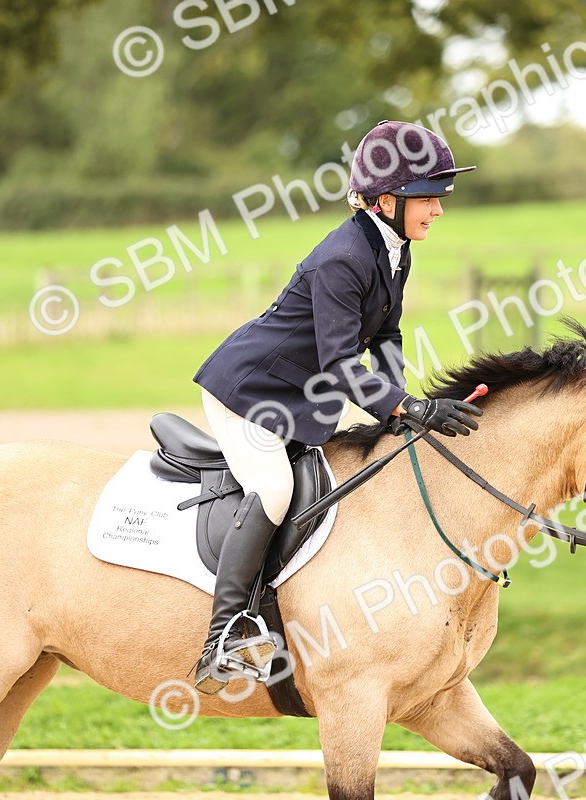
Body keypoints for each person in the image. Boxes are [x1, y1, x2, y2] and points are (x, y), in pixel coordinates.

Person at [190, 120, 484, 693]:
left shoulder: (392, 249)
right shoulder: (344, 258)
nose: (438, 209)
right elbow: (341, 366)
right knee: (274, 489)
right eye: (428, 197)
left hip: (297, 395)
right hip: (249, 392)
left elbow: (387, 337)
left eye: (439, 197)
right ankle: (221, 637)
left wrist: (403, 408)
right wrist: (406, 409)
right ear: (385, 201)